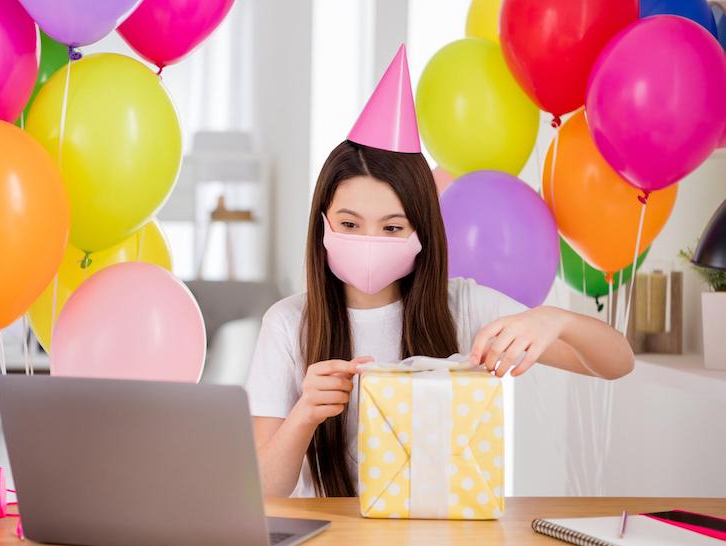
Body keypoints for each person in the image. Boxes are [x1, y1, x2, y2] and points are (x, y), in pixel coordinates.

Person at [245, 45, 634, 498]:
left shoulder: (464, 306)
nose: (369, 242)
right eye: (350, 224)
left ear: (420, 234)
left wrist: (556, 320)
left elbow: (617, 362)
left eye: (392, 227)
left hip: (438, 543)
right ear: (323, 224)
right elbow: (263, 494)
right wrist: (304, 415)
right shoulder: (289, 324)